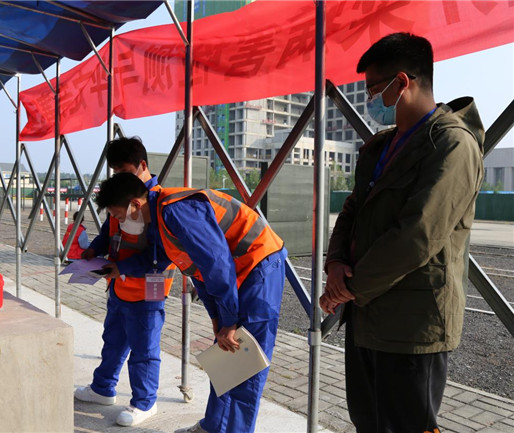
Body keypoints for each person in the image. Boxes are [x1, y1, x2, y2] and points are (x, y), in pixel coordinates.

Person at [320, 33, 484, 433]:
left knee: (407, 425)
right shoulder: (381, 147)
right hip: (367, 316)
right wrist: (336, 262)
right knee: (368, 421)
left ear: (402, 82)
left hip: (412, 325)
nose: (369, 99)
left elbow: (418, 235)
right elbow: (353, 209)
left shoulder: (451, 144)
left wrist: (349, 288)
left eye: (373, 89)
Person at [96, 172, 288, 433]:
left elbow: (216, 265)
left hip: (258, 264)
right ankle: (214, 426)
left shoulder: (177, 211)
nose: (120, 224)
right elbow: (182, 266)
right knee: (225, 354)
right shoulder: (158, 219)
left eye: (119, 217)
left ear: (135, 205)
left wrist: (229, 321)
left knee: (244, 360)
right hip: (235, 271)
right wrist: (218, 318)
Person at [74, 137, 174, 427]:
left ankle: (145, 402)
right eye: (115, 172)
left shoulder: (159, 203)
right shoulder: (120, 195)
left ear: (142, 165)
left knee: (144, 348)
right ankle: (103, 388)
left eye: (124, 170)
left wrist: (122, 268)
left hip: (149, 288)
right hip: (118, 284)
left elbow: (161, 255)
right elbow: (110, 228)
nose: (119, 176)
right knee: (113, 340)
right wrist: (94, 249)